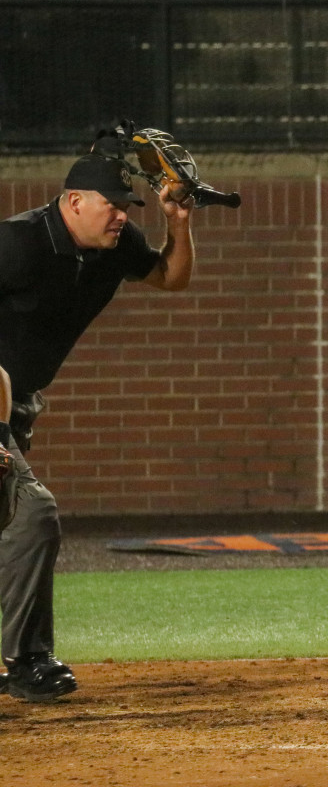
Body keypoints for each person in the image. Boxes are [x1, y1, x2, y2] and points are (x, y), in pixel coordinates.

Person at [0, 151, 196, 702]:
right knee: (30, 512)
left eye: (127, 208)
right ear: (74, 201)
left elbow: (170, 277)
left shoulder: (116, 245)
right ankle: (27, 661)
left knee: (8, 525)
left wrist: (178, 225)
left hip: (15, 401)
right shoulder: (17, 244)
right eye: (112, 205)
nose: (121, 216)